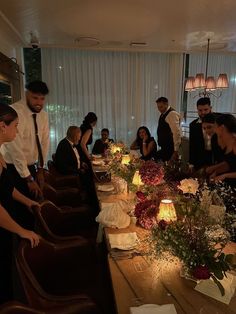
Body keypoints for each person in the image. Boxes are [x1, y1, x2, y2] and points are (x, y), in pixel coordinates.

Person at [0, 104, 40, 303]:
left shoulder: (0, 153)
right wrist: (21, 230)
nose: (17, 131)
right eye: (15, 126)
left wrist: (29, 202)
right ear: (2, 126)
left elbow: (6, 189)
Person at [0, 80, 49, 228]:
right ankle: (22, 243)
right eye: (35, 98)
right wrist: (28, 178)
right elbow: (15, 150)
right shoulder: (14, 112)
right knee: (18, 211)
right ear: (27, 94)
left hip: (31, 167)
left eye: (42, 99)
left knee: (32, 207)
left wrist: (40, 169)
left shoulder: (43, 116)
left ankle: (31, 236)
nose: (39, 102)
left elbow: (44, 143)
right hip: (13, 168)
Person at [206, 114, 236, 186]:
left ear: (222, 128)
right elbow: (230, 163)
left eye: (215, 126)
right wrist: (216, 172)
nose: (214, 129)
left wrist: (225, 176)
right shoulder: (226, 142)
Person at [189, 97, 212, 170]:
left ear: (210, 108)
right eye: (200, 110)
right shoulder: (193, 125)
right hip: (199, 160)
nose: (203, 112)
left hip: (214, 159)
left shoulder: (218, 122)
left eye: (205, 110)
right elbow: (192, 145)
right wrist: (191, 163)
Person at [156, 97, 182, 162]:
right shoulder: (164, 113)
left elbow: (176, 132)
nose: (159, 109)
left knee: (169, 167)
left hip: (170, 147)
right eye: (158, 107)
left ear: (166, 104)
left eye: (161, 107)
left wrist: (175, 150)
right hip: (165, 147)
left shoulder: (172, 114)